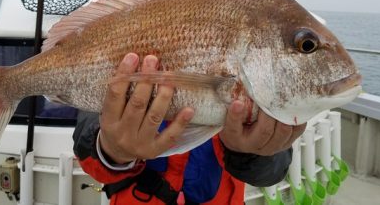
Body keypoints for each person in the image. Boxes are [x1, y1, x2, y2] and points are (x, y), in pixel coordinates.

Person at [73, 53, 306, 205]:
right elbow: (87, 139)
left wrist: (252, 152)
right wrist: (113, 150)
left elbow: (273, 172)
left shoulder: (252, 76)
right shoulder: (124, 44)